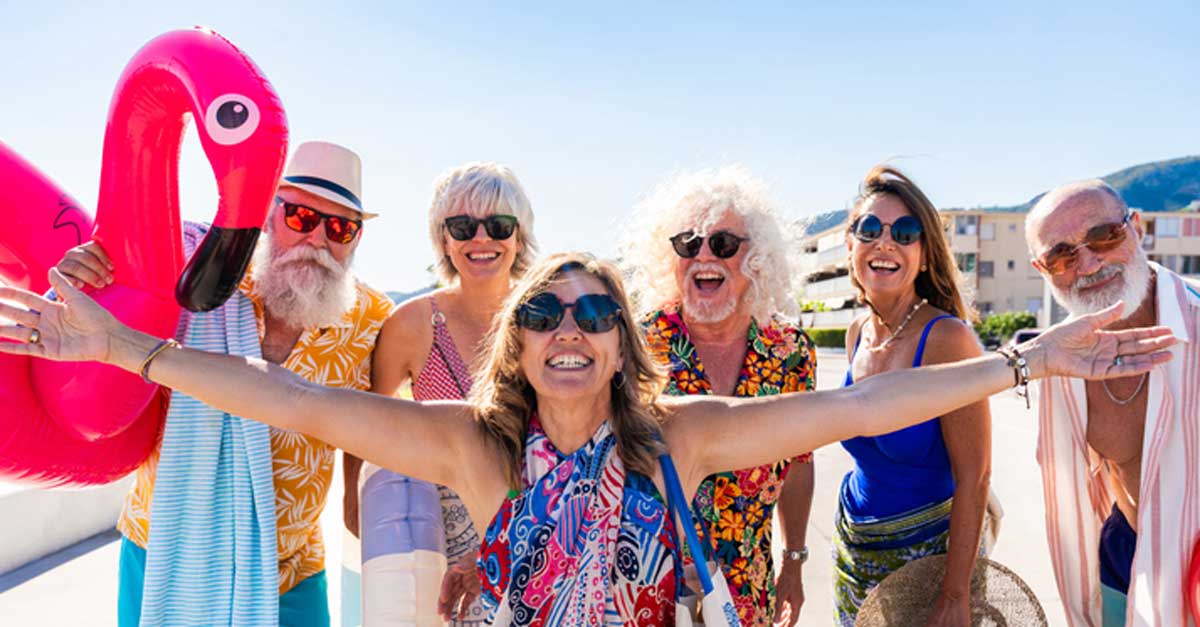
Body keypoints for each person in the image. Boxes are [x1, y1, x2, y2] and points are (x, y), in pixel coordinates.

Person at [0, 252, 1175, 627]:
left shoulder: (683, 439)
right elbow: (289, 401)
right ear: (518, 345)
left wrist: (1033, 358)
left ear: (621, 345)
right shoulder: (475, 450)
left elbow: (862, 407)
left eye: (596, 311)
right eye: (547, 312)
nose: (571, 327)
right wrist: (120, 346)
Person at [51, 141, 392, 627]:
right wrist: (87, 272)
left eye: (340, 227)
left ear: (356, 240)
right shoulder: (196, 270)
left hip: (289, 570)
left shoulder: (372, 320)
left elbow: (373, 430)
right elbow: (114, 305)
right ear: (270, 215)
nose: (318, 240)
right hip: (162, 548)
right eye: (301, 217)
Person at [343, 161, 538, 625]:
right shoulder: (413, 324)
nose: (481, 238)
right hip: (440, 542)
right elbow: (369, 421)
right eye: (463, 227)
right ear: (444, 239)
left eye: (499, 225)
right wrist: (357, 507)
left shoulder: (546, 317)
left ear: (519, 236)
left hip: (535, 529)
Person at [623, 166, 816, 627]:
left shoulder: (789, 352)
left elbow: (799, 463)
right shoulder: (633, 346)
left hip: (749, 591)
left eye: (724, 243)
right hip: (646, 590)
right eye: (688, 244)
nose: (704, 255)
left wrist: (793, 561)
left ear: (758, 259)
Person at [1025, 180, 1200, 627]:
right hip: (1122, 557)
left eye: (1104, 235)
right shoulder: (1059, 362)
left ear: (1136, 228)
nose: (1088, 263)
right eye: (1061, 255)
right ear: (1042, 269)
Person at [835, 166, 992, 627]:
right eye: (869, 230)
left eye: (904, 233)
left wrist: (955, 594)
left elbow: (976, 477)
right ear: (850, 247)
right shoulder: (856, 332)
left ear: (924, 257)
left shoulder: (947, 339)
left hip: (929, 567)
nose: (885, 243)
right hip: (854, 557)